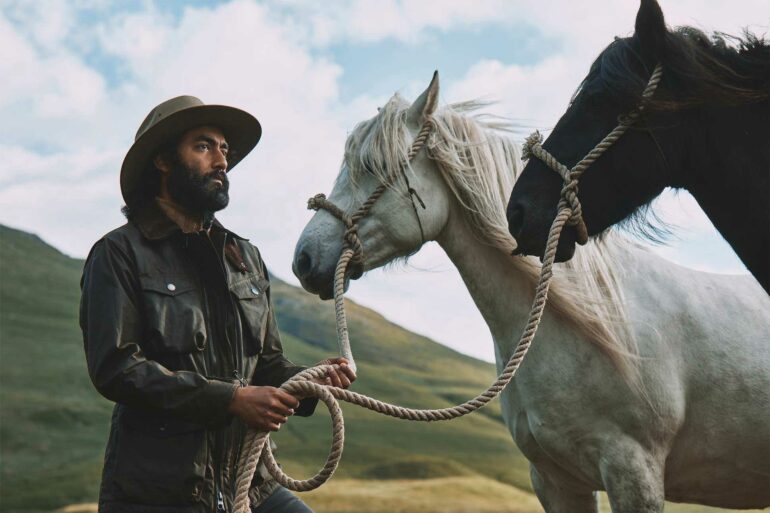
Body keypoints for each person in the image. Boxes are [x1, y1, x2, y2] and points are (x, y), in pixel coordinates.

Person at [80, 96, 356, 512]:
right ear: (163, 161)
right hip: (161, 495)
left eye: (225, 150)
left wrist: (313, 381)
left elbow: (268, 364)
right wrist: (231, 400)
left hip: (250, 487)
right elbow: (116, 368)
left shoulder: (245, 258)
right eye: (204, 146)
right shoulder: (119, 253)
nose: (222, 161)